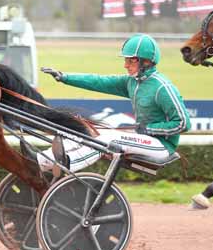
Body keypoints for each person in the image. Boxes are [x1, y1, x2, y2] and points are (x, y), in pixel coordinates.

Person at [30, 34, 191, 178]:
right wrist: (65, 77)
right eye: (125, 60)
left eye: (130, 60)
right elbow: (99, 81)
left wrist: (150, 129)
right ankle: (40, 160)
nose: (125, 65)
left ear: (146, 62)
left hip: (161, 146)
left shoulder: (162, 88)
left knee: (109, 139)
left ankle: (68, 163)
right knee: (90, 131)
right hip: (144, 139)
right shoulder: (132, 82)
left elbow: (184, 123)